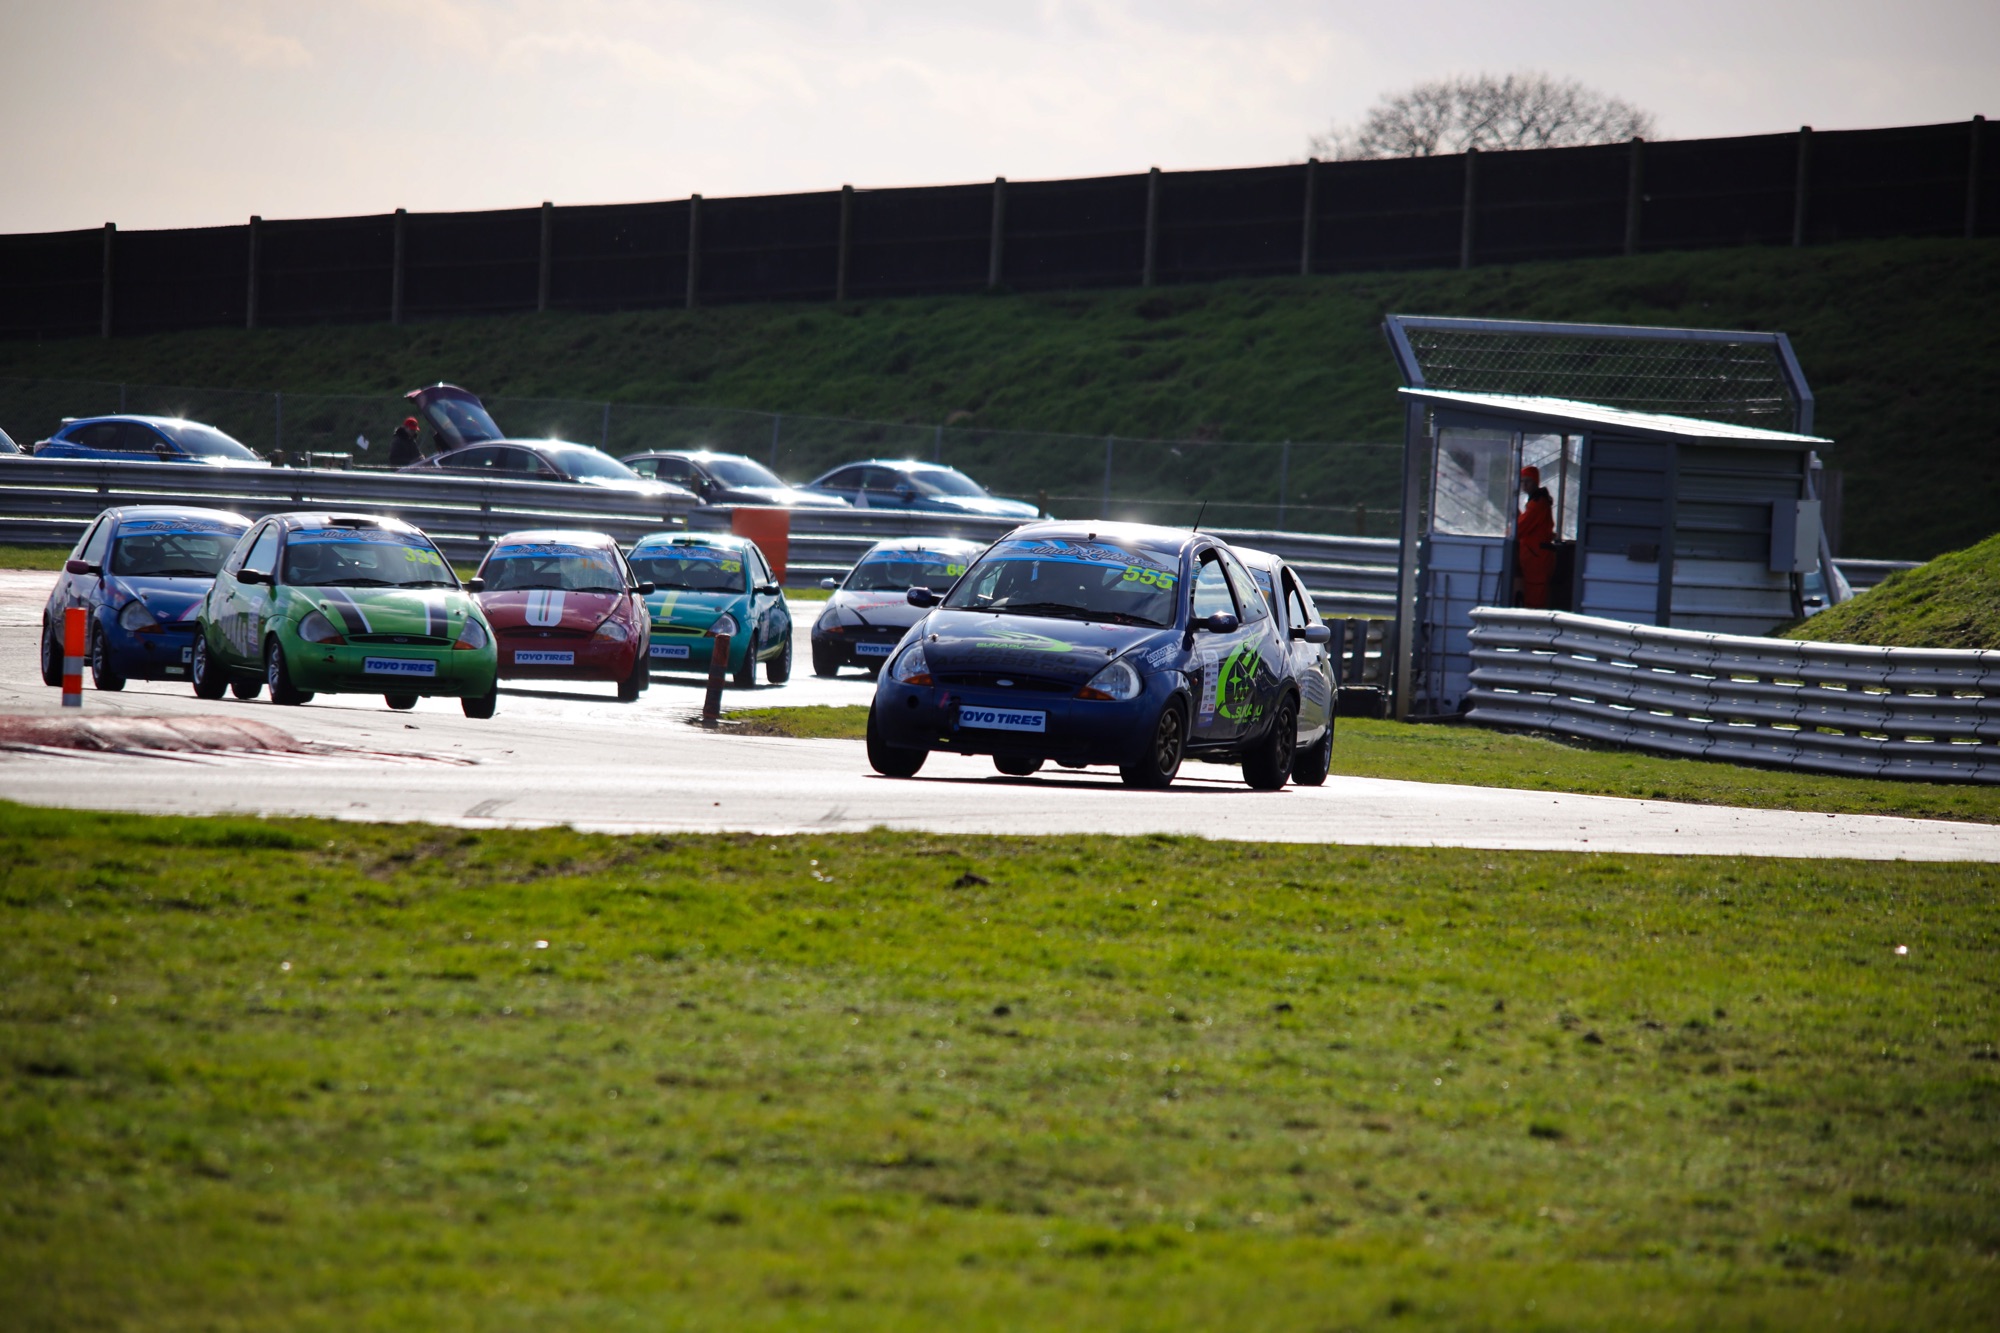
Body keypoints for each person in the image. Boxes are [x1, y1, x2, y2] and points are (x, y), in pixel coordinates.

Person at [1516, 465, 1556, 609]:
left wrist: (1512, 526)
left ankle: (1535, 629)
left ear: (1536, 482)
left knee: (1535, 600)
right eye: (1522, 481)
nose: (1524, 485)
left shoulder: (1537, 504)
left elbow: (1520, 528)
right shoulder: (1537, 502)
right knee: (1534, 596)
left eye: (1528, 481)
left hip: (1536, 560)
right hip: (1535, 558)